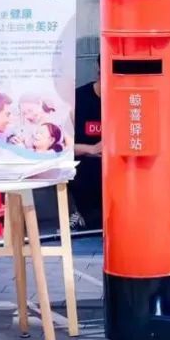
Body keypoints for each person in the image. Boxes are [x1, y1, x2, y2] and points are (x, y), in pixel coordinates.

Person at [70, 58, 103, 229]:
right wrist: (92, 149)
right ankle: (81, 214)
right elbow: (61, 147)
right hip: (85, 169)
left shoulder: (127, 100)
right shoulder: (78, 99)